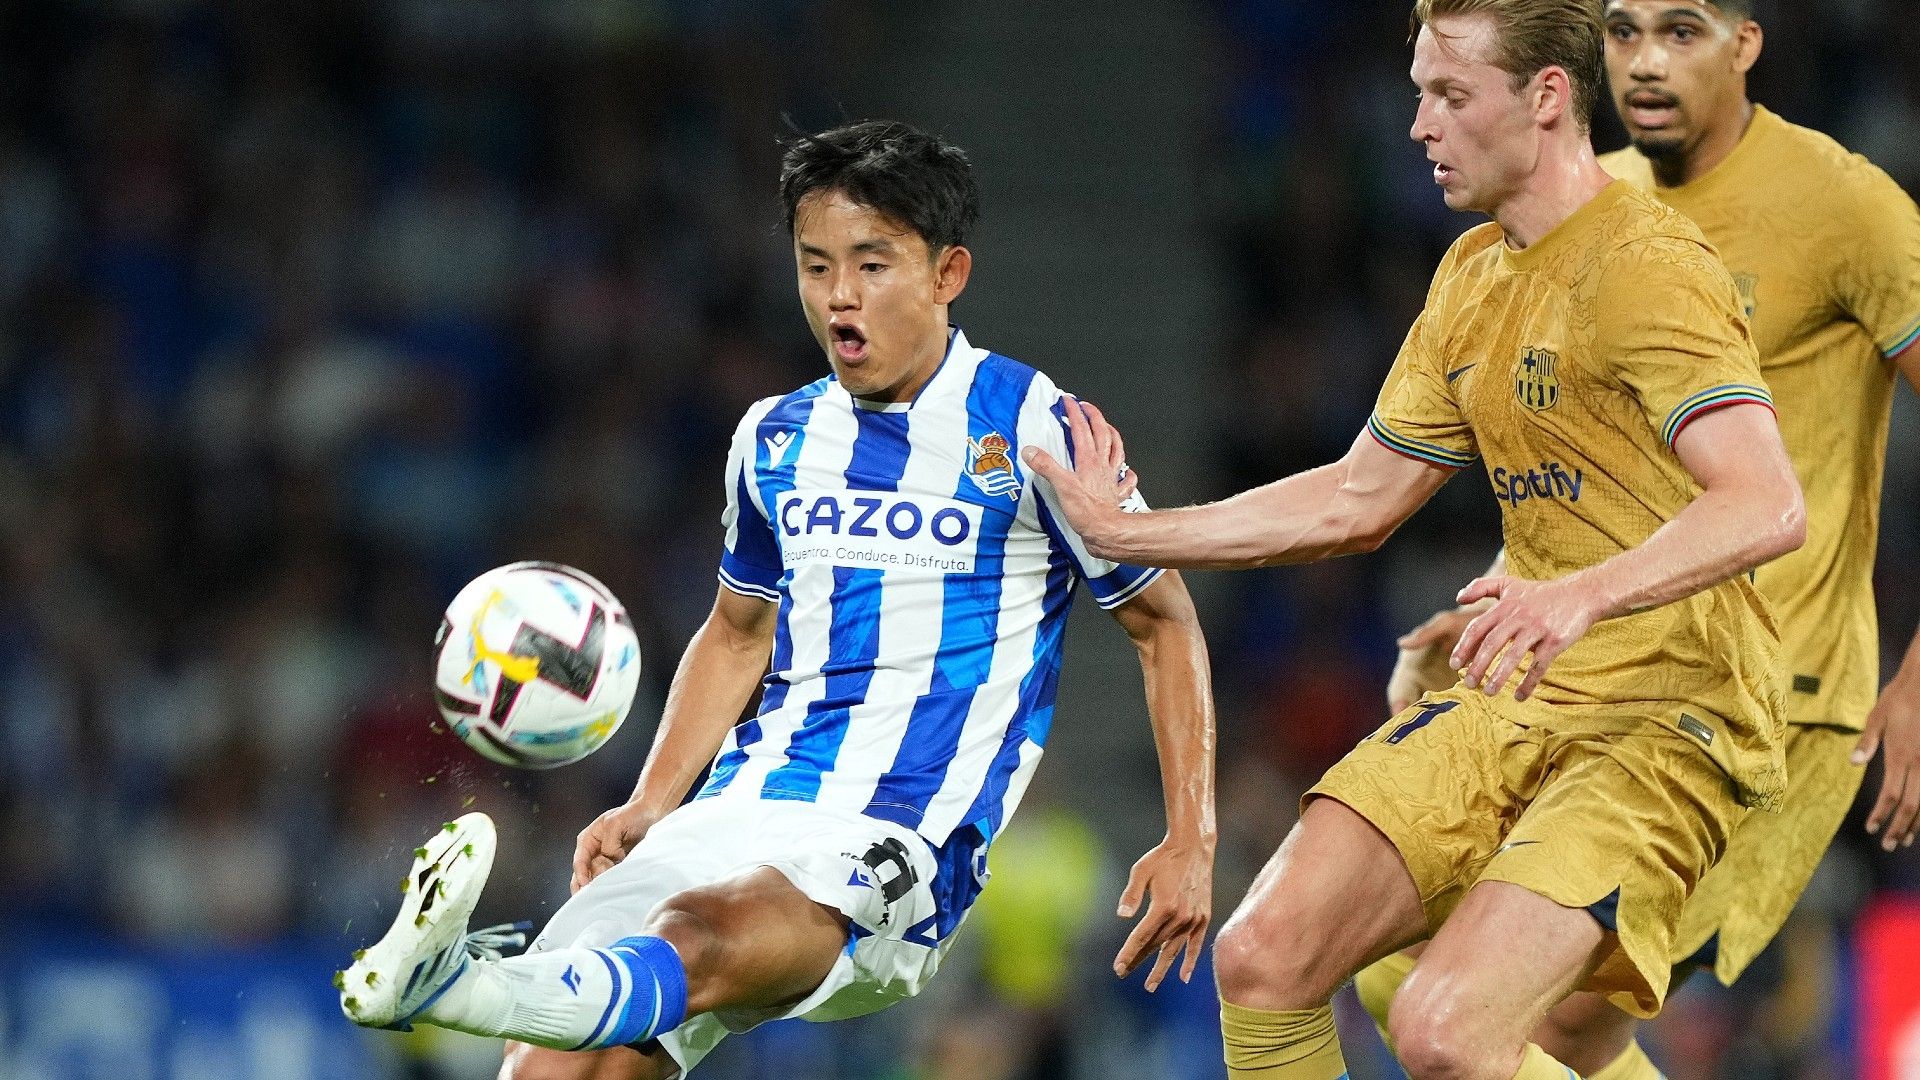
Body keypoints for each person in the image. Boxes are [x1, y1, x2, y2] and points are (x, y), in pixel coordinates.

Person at [336, 120, 1218, 1080]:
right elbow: (736, 631)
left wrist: (1191, 835)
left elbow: (1163, 623)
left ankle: (457, 988)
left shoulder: (1040, 428)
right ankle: (478, 994)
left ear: (947, 274)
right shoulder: (774, 437)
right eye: (815, 265)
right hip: (743, 798)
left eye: (871, 265)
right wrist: (651, 800)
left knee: (699, 933)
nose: (839, 295)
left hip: (900, 834)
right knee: (561, 1066)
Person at [1025, 0, 1808, 1075]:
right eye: (1418, 95)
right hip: (1523, 689)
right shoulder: (1472, 276)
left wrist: (1578, 592)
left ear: (1545, 98)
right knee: (1262, 955)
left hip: (1670, 712)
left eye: (1450, 94)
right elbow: (1359, 496)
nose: (1418, 125)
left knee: (1445, 1030)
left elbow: (1765, 502)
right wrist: (1129, 529)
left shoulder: (1646, 264)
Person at [1359, 1, 1920, 1076]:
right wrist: (1500, 598)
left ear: (1746, 44)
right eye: (1623, 32)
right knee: (1406, 967)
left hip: (1776, 698)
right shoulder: (1588, 202)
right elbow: (1574, 449)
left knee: (1544, 1017)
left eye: (1682, 31)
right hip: (1607, 677)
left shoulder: (1845, 208)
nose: (1647, 62)